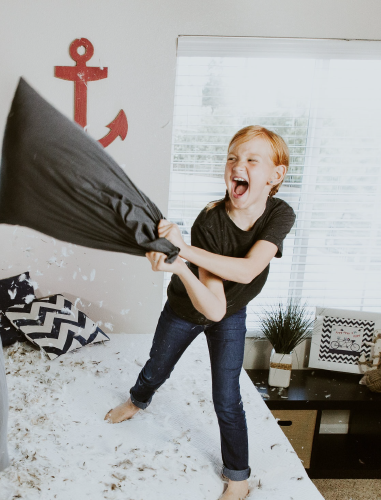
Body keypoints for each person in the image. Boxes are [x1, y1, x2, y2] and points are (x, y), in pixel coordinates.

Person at [105, 125, 297, 500]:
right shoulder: (209, 220)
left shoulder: (280, 214)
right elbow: (211, 304)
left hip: (231, 311)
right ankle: (136, 400)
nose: (238, 165)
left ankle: (238, 478)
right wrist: (179, 266)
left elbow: (246, 272)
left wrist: (183, 251)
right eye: (232, 157)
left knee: (227, 397)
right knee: (157, 368)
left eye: (251, 160)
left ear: (276, 175)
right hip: (188, 307)